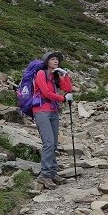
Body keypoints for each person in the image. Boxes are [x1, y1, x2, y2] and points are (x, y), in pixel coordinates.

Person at [32, 51, 73, 190]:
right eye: (53, 59)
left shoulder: (55, 76)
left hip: (53, 111)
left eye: (57, 60)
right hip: (41, 111)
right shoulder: (41, 74)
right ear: (47, 61)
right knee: (48, 142)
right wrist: (62, 99)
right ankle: (44, 175)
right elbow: (46, 93)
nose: (56, 61)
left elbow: (68, 89)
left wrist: (65, 75)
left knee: (54, 143)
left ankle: (52, 172)